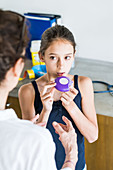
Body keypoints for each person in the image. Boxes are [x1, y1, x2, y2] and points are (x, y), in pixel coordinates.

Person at [0, 9, 78, 170]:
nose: (60, 65)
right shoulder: (34, 141)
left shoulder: (31, 137)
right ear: (17, 69)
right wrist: (71, 157)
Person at [19, 25, 99, 170]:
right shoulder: (28, 91)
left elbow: (93, 136)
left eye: (67, 57)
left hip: (76, 166)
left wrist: (71, 106)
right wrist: (45, 110)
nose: (61, 65)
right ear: (41, 56)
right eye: (53, 57)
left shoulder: (83, 84)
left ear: (74, 55)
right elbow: (28, 143)